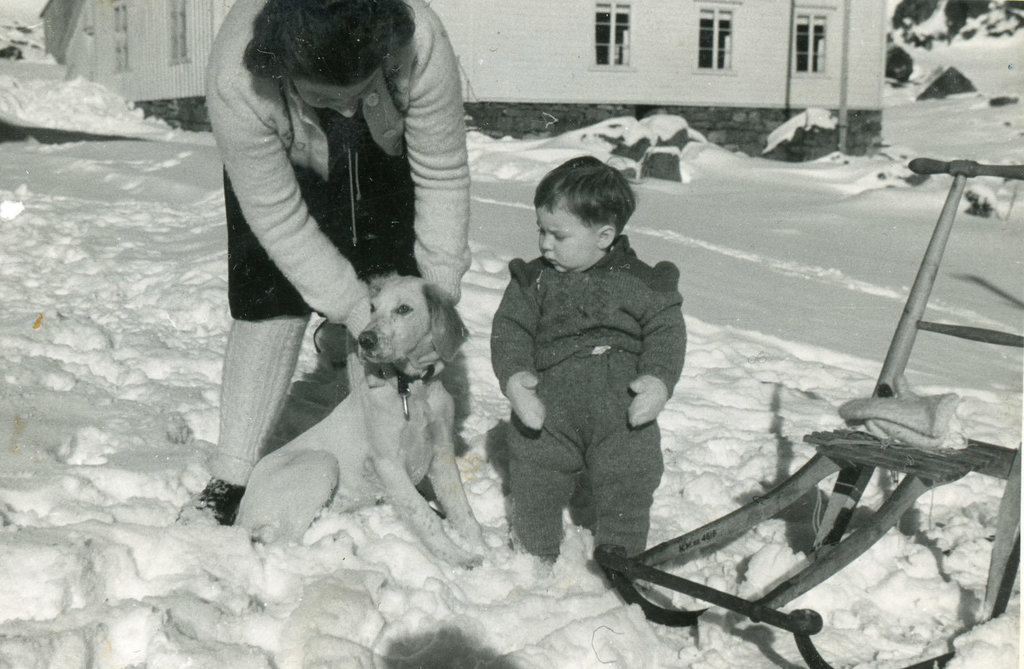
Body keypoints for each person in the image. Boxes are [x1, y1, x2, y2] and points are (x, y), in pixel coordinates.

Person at [189, 0, 471, 525]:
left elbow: (442, 169)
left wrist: (438, 299)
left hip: (387, 141)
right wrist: (349, 307)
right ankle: (232, 471)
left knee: (394, 268)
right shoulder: (238, 79)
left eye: (356, 94)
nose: (344, 112)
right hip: (282, 154)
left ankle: (405, 452)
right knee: (268, 291)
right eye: (327, 99)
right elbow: (277, 219)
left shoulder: (419, 40)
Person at [490, 156, 686, 561]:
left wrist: (658, 380)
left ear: (603, 236)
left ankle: (622, 555)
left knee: (630, 475)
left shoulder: (640, 281)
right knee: (534, 473)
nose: (544, 244)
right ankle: (535, 551)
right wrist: (515, 380)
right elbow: (511, 328)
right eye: (540, 230)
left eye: (558, 235)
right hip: (548, 405)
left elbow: (666, 329)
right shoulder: (534, 281)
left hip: (621, 407)